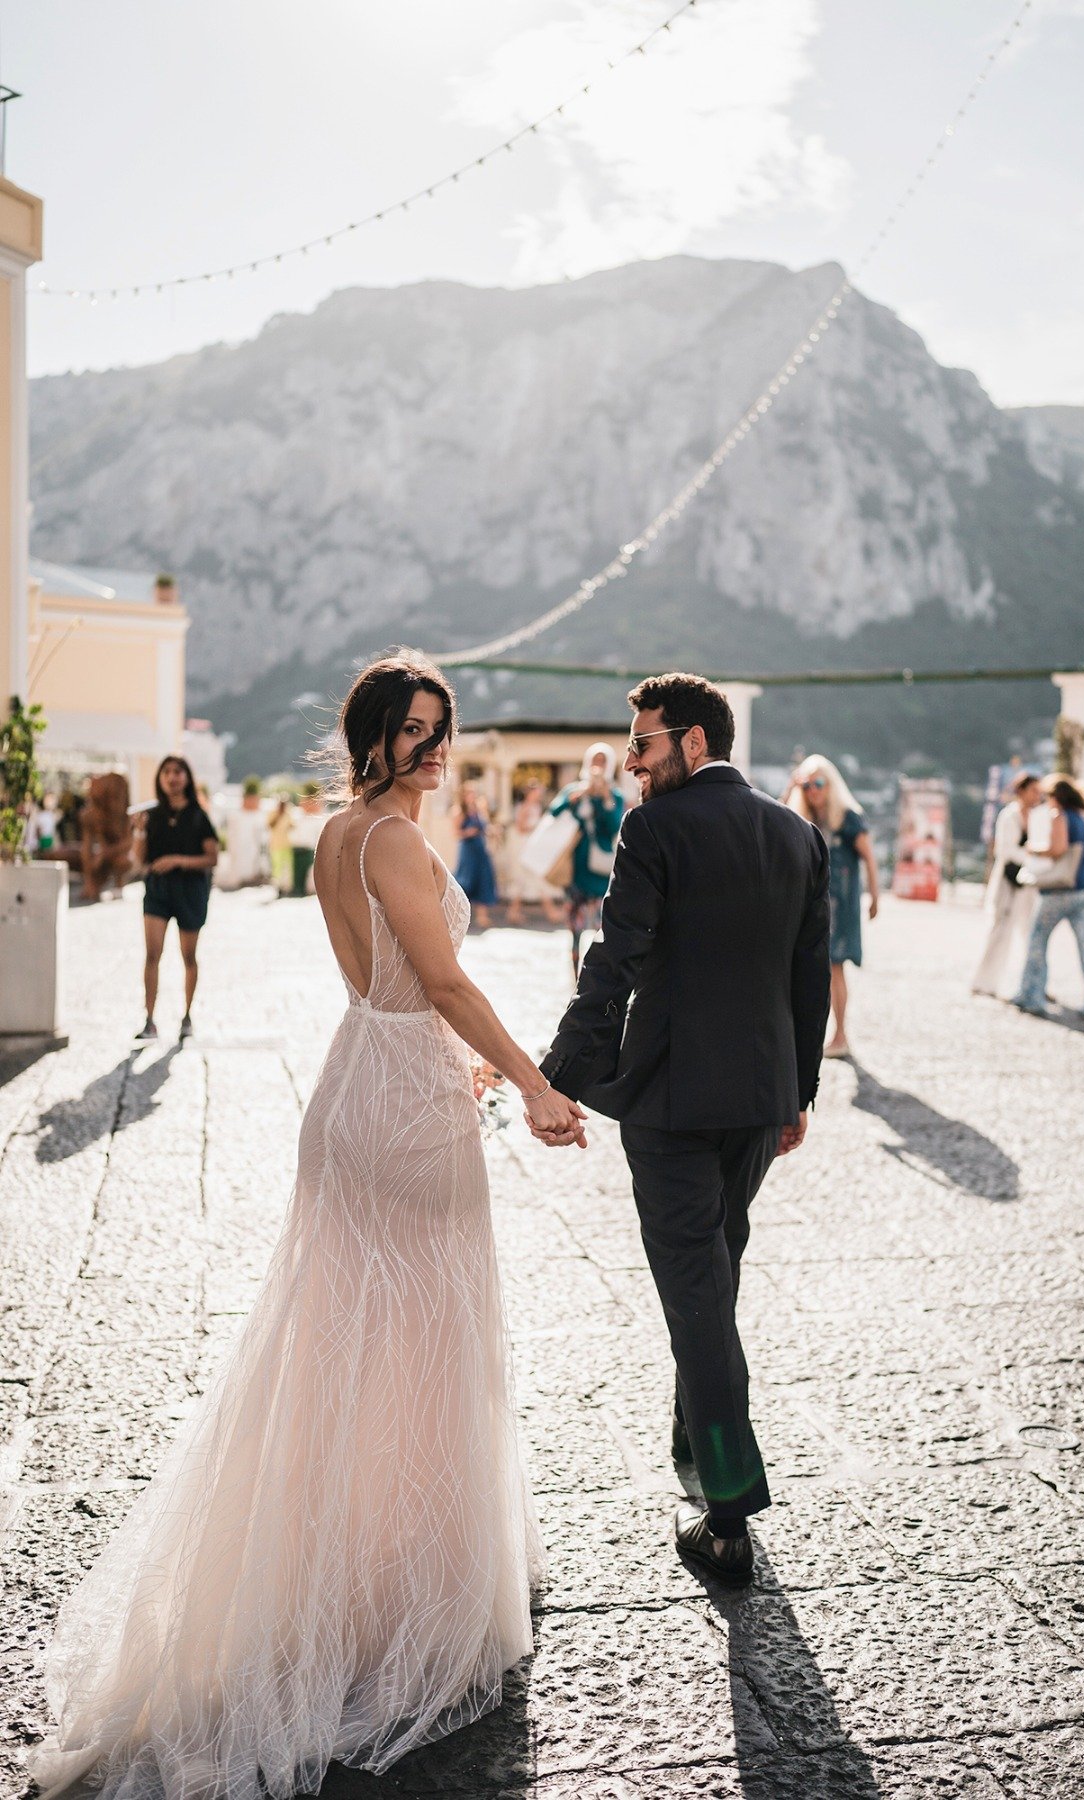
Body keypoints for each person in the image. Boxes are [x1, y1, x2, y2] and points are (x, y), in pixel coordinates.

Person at [32, 652, 585, 1800]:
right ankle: (401, 1603)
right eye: (415, 732)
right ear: (373, 738)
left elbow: (389, 987)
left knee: (347, 1349)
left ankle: (343, 1580)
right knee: (427, 1345)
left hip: (361, 1082)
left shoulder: (343, 833)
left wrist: (458, 1066)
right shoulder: (391, 838)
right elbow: (441, 986)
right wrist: (529, 1080)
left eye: (444, 730)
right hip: (402, 1107)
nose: (435, 749)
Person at [537, 673, 830, 1586]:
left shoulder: (654, 829)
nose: (631, 761)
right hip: (756, 1100)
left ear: (693, 742)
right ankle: (692, 1438)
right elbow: (808, 980)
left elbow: (612, 962)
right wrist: (798, 1093)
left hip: (670, 1106)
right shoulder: (799, 834)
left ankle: (729, 1511)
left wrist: (557, 1080)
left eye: (642, 743)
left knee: (698, 1290)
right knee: (716, 1270)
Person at [785, 754, 878, 1058]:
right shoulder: (803, 818)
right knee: (811, 968)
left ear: (831, 784)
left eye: (819, 783)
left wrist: (875, 896)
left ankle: (840, 1034)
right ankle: (815, 1035)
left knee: (834, 967)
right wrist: (791, 786)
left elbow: (869, 856)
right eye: (807, 784)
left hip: (841, 901)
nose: (813, 790)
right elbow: (776, 820)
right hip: (812, 902)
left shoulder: (847, 817)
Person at [131, 756, 219, 1042]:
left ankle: (187, 1016)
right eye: (167, 772)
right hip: (157, 891)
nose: (172, 777)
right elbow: (139, 859)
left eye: (177, 772)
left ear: (187, 778)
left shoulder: (198, 815)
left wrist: (176, 860)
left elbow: (212, 857)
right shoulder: (152, 815)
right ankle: (149, 1020)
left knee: (188, 957)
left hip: (190, 892)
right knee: (152, 955)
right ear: (160, 777)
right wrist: (140, 830)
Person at [1011, 775, 1084, 1021]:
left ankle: (1031, 995)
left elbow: (1058, 849)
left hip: (1061, 889)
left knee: (1037, 940)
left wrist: (1033, 848)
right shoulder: (1082, 819)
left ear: (1055, 797)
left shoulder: (1059, 816)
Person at [548, 743, 625, 980]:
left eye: (603, 761)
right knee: (575, 928)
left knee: (602, 926)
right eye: (595, 760)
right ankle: (575, 974)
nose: (598, 766)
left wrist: (604, 798)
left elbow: (615, 826)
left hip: (601, 870)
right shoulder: (575, 790)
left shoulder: (614, 795)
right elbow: (554, 812)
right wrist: (577, 796)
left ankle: (598, 974)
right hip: (576, 868)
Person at [971, 770, 1042, 997]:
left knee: (1031, 933)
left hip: (1029, 882)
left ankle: (1032, 984)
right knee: (1000, 931)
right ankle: (985, 981)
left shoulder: (1040, 817)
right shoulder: (1009, 816)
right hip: (1008, 880)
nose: (1036, 795)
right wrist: (1032, 855)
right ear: (1021, 791)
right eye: (1033, 790)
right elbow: (1005, 850)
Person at [506, 781, 561, 925]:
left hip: (533, 847)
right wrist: (535, 827)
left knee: (530, 881)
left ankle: (514, 913)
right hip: (525, 847)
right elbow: (520, 827)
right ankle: (551, 912)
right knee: (531, 879)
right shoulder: (523, 807)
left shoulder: (537, 807)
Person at [452, 781, 498, 929]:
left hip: (480, 848)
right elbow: (455, 833)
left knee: (483, 879)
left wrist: (493, 831)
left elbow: (486, 826)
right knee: (466, 881)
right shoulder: (459, 811)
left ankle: (482, 916)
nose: (472, 796)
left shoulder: (479, 809)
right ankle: (458, 915)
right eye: (469, 793)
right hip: (468, 849)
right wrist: (467, 833)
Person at [267, 795, 294, 893]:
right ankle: (277, 887)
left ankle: (286, 887)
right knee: (277, 867)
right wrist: (279, 815)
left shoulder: (288, 814)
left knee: (287, 866)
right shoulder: (273, 814)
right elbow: (270, 825)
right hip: (275, 845)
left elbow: (292, 825)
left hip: (287, 844)